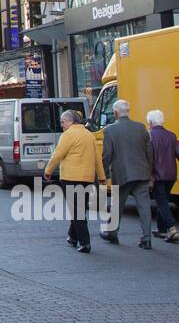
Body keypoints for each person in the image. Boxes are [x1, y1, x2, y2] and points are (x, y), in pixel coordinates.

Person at [44, 109, 105, 254]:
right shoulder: (89, 135)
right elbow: (97, 158)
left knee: (77, 211)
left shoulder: (68, 135)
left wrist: (48, 171)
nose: (62, 125)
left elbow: (58, 154)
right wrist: (102, 176)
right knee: (80, 209)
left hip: (71, 178)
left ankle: (85, 243)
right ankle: (72, 236)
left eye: (63, 122)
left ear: (71, 121)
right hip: (87, 178)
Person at [100, 100, 155, 249]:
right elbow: (149, 152)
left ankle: (112, 232)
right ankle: (147, 238)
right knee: (144, 206)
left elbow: (107, 154)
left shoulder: (110, 130)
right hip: (142, 172)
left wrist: (103, 174)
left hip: (122, 173)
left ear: (116, 113)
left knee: (117, 205)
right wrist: (150, 173)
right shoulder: (141, 127)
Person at [147, 109, 179, 243]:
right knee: (162, 201)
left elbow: (149, 159)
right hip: (171, 175)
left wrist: (148, 175)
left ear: (150, 122)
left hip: (157, 176)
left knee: (161, 202)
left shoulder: (149, 136)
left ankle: (172, 229)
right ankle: (161, 229)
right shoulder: (171, 135)